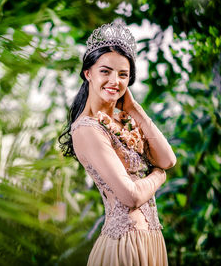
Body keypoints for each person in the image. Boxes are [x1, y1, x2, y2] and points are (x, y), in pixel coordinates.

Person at [58, 21, 176, 266]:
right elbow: (130, 196)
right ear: (87, 73)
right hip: (124, 248)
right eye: (105, 71)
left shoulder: (124, 119)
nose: (115, 80)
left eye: (123, 74)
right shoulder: (87, 129)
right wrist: (158, 177)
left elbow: (168, 159)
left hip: (151, 242)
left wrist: (134, 109)